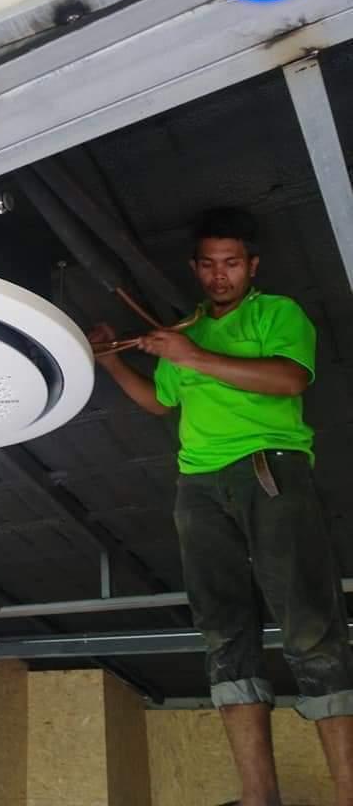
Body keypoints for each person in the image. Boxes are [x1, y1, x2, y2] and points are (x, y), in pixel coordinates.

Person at [89, 207, 353, 806]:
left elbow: (290, 380)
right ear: (195, 267)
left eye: (231, 263)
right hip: (198, 485)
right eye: (208, 264)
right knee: (223, 633)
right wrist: (111, 360)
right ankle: (258, 797)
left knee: (309, 626)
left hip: (269, 467)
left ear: (252, 266)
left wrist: (192, 356)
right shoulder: (183, 331)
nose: (219, 275)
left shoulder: (276, 313)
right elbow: (160, 403)